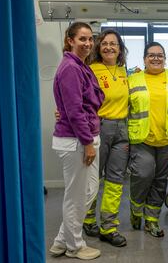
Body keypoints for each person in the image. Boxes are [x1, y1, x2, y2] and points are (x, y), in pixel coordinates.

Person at [128, 42, 168, 237]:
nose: (156, 58)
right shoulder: (132, 80)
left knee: (160, 181)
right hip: (141, 139)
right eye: (151, 55)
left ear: (165, 58)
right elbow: (119, 108)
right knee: (143, 174)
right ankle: (135, 209)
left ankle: (152, 219)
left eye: (160, 55)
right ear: (144, 59)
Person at [49, 22, 104, 260]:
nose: (88, 44)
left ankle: (62, 240)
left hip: (84, 137)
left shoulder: (81, 66)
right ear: (70, 40)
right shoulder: (71, 68)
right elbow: (74, 110)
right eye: (82, 39)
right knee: (76, 196)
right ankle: (74, 246)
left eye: (90, 39)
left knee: (89, 191)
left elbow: (80, 103)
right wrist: (88, 142)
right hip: (77, 141)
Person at [80, 29, 130, 247]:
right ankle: (88, 219)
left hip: (122, 130)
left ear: (120, 49)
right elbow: (77, 97)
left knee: (115, 180)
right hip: (98, 127)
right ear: (99, 47)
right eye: (105, 43)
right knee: (92, 178)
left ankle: (108, 226)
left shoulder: (124, 71)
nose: (109, 47)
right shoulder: (89, 70)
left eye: (114, 44)